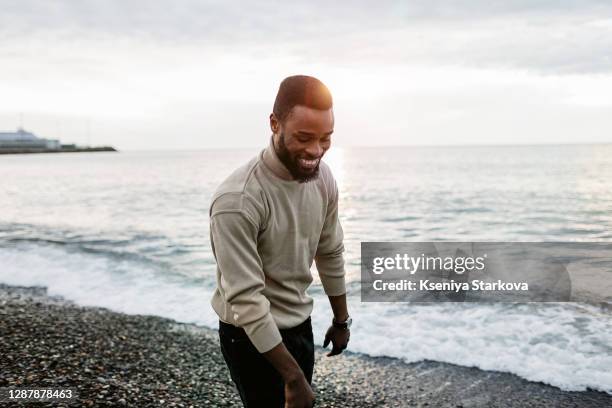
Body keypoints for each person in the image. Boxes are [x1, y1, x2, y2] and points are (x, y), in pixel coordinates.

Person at [209, 75, 352, 407]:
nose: (315, 151)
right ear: (275, 124)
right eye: (304, 138)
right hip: (248, 335)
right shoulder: (237, 200)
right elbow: (246, 299)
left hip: (299, 324)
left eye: (325, 139)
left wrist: (341, 320)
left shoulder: (323, 178)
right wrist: (294, 378)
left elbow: (330, 250)